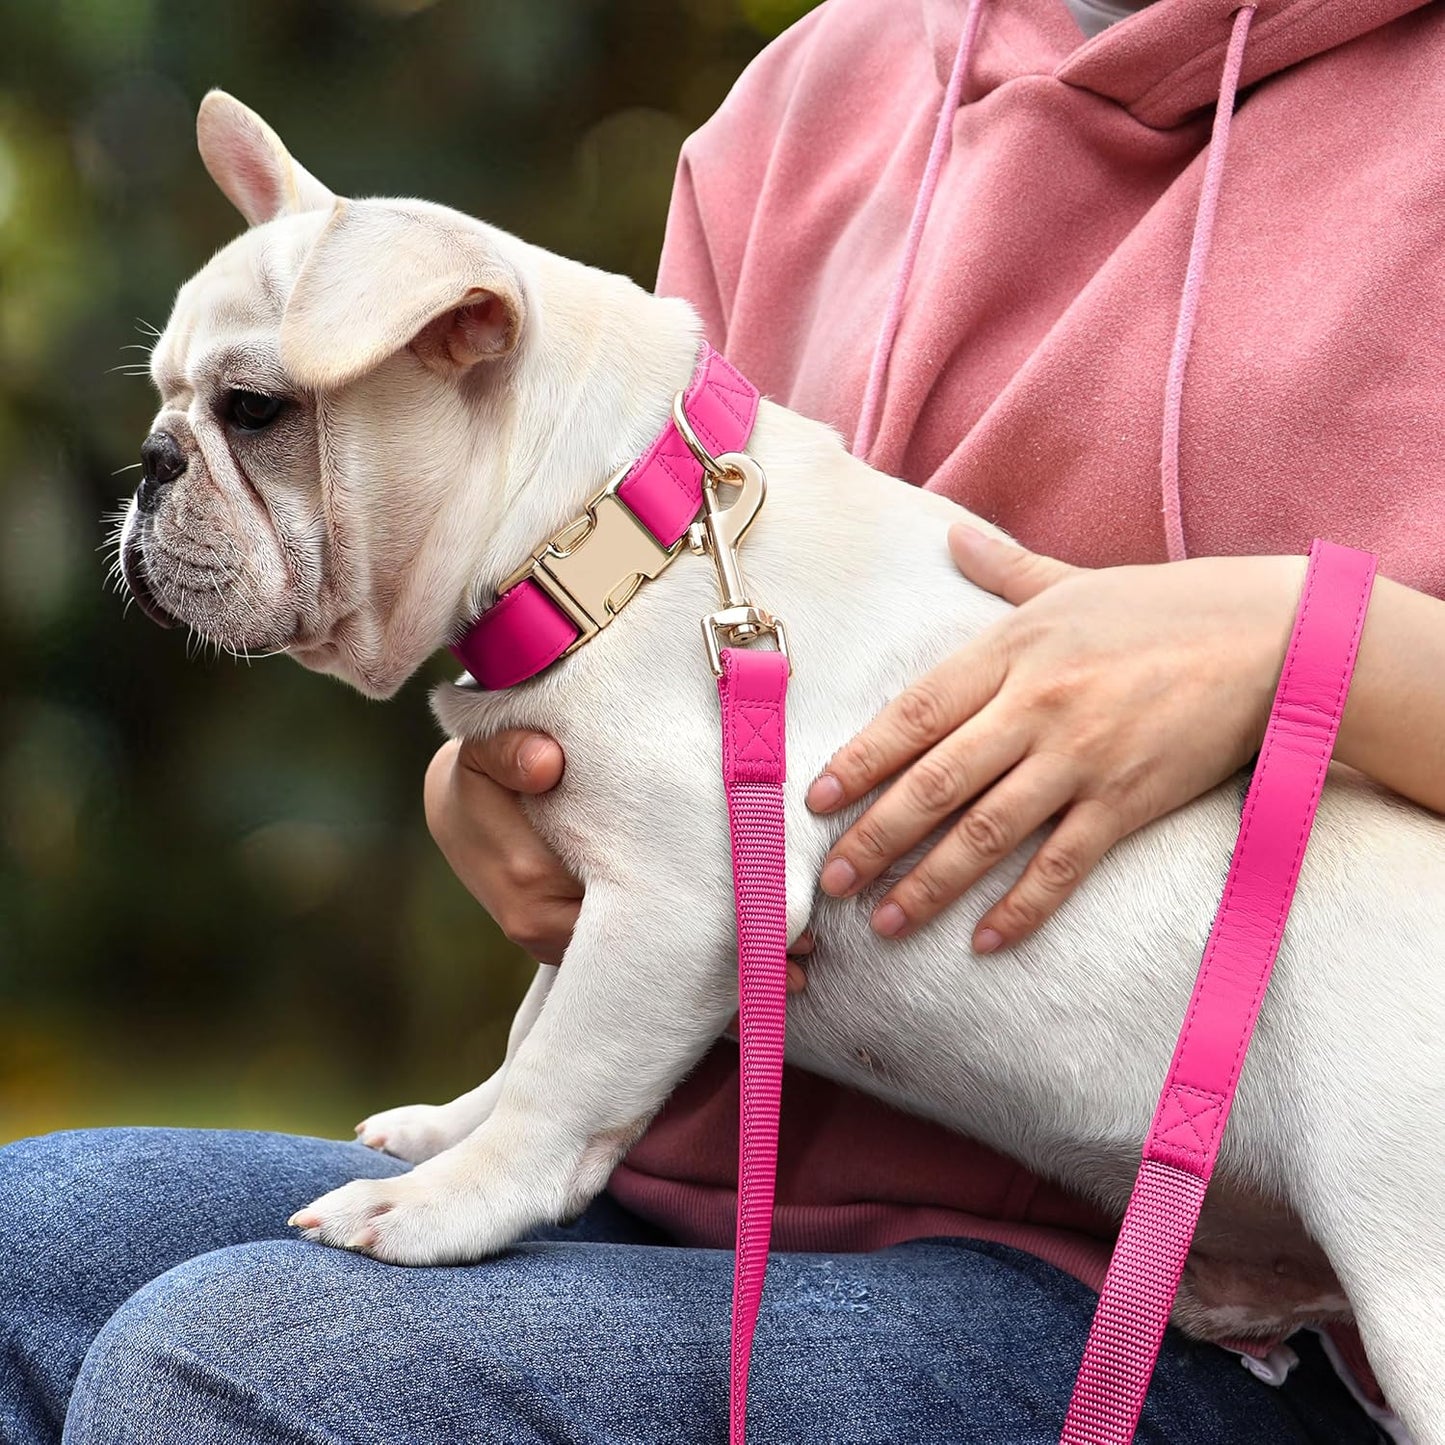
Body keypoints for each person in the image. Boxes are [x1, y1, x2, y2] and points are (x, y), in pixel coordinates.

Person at [4, 1, 1441, 1440]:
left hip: (1236, 1253)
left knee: (241, 1361)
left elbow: (692, 865)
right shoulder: (815, 90)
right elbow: (653, 709)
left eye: (259, 412)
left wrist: (1314, 646)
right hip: (717, 1173)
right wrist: (509, 796)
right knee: (29, 1244)